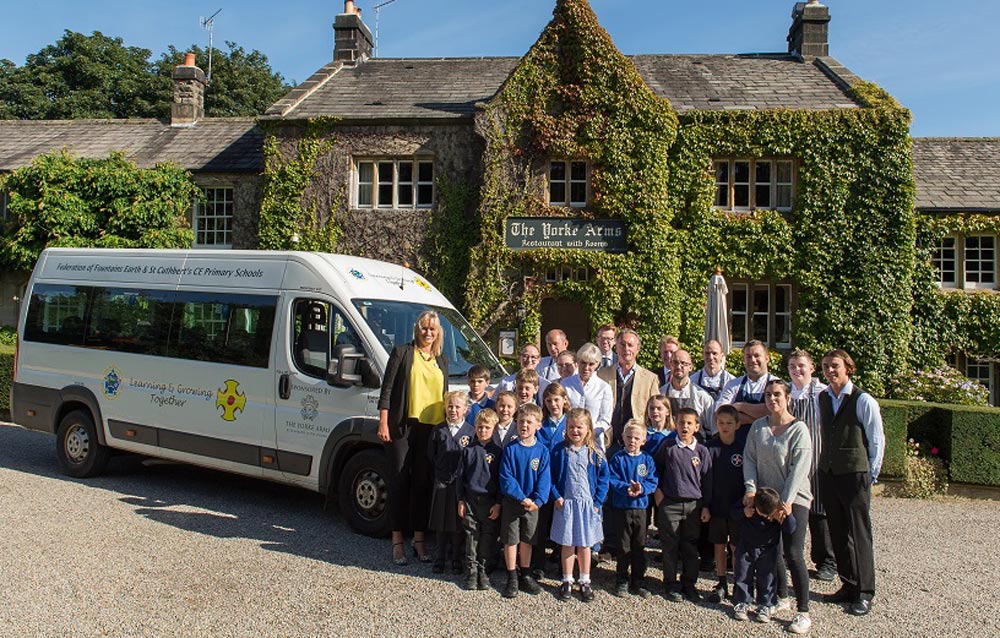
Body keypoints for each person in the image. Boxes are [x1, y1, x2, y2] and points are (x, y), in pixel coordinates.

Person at [743, 378, 813, 634]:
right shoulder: (758, 427)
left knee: (794, 553)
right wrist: (751, 490)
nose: (773, 400)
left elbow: (799, 468)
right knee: (773, 550)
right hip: (765, 501)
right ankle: (781, 597)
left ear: (787, 398)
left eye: (777, 395)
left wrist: (786, 502)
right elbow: (749, 460)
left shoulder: (798, 430)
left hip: (793, 501)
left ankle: (803, 610)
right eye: (768, 395)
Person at [378, 310, 448, 566]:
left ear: (438, 333)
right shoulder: (402, 353)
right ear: (417, 329)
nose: (428, 333)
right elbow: (387, 389)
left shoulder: (442, 360)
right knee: (399, 481)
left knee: (422, 483)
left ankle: (419, 540)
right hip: (402, 426)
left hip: (430, 430)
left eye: (433, 329)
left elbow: (446, 395)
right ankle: (397, 540)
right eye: (424, 328)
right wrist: (383, 420)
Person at [818, 349, 885, 617]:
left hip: (855, 474)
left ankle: (865, 591)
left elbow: (876, 439)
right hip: (830, 472)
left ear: (848, 368)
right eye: (825, 366)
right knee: (837, 530)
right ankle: (848, 584)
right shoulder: (823, 398)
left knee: (859, 533)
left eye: (834, 366)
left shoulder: (862, 400)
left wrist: (871, 474)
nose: (829, 371)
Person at [549, 408, 609, 602]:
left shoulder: (595, 453)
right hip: (566, 504)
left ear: (588, 429)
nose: (575, 431)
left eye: (580, 427)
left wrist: (597, 502)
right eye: (571, 427)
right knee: (567, 543)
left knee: (584, 545)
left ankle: (585, 580)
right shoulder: (559, 450)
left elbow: (603, 479)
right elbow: (549, 476)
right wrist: (556, 496)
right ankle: (567, 579)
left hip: (587, 506)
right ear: (566, 428)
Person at [787, 349, 836, 582]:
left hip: (816, 459)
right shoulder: (786, 392)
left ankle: (826, 561)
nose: (797, 370)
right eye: (793, 366)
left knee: (819, 512)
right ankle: (791, 556)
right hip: (791, 459)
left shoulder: (822, 393)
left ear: (812, 368)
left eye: (801, 366)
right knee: (792, 507)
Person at [654, 407, 712, 602]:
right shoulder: (668, 447)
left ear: (696, 426)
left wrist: (705, 505)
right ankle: (670, 582)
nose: (684, 427)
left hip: (693, 505)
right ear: (675, 425)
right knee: (670, 545)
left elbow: (707, 479)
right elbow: (657, 470)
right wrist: (659, 493)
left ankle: (689, 583)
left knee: (690, 546)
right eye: (681, 423)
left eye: (689, 423)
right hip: (670, 504)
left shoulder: (701, 451)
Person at [498, 403, 551, 599]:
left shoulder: (542, 451)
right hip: (514, 502)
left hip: (532, 505)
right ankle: (512, 575)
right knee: (511, 540)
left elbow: (545, 479)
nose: (524, 425)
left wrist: (537, 500)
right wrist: (521, 497)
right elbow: (506, 477)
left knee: (527, 539)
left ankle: (526, 574)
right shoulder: (511, 449)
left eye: (529, 422)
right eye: (521, 421)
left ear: (538, 425)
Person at [731, 487, 798, 625]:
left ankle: (765, 605)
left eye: (768, 515)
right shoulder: (749, 503)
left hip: (768, 549)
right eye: (763, 514)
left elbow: (790, 528)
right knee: (742, 574)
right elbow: (732, 513)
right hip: (746, 546)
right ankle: (742, 602)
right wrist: (743, 512)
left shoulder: (776, 512)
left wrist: (789, 515)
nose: (766, 517)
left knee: (768, 577)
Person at [608, 420, 659, 599]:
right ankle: (621, 578)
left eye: (637, 438)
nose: (632, 441)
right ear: (622, 437)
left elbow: (653, 481)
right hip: (622, 507)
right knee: (623, 545)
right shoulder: (617, 458)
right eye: (629, 437)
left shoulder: (647, 460)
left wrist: (642, 488)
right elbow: (612, 479)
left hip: (642, 508)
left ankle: (638, 580)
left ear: (644, 440)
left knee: (639, 545)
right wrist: (625, 488)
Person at [427, 391, 476, 574]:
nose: (453, 410)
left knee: (457, 522)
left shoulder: (470, 432)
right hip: (442, 483)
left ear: (465, 409)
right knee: (440, 521)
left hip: (460, 485)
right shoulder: (439, 430)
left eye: (457, 407)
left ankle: (456, 558)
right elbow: (431, 455)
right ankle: (439, 558)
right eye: (450, 406)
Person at [705, 404, 749, 604]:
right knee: (719, 544)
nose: (725, 427)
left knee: (736, 546)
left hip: (738, 506)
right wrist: (706, 505)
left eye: (729, 423)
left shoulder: (743, 448)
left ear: (737, 425)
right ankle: (721, 581)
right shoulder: (710, 448)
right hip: (717, 505)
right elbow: (705, 479)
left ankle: (740, 583)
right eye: (721, 423)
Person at [458, 408, 502, 591]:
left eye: (487, 427)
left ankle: (483, 570)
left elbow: (501, 479)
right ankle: (472, 571)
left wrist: (498, 502)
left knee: (487, 536)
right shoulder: (468, 450)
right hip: (470, 499)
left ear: (493, 429)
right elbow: (461, 477)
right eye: (479, 427)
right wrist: (460, 500)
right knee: (471, 534)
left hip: (489, 501)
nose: (483, 431)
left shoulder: (497, 451)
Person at [531, 381, 571, 577]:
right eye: (548, 400)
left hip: (565, 483)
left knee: (564, 526)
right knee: (541, 524)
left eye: (557, 400)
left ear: (564, 400)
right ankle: (538, 564)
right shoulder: (541, 427)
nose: (553, 404)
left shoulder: (570, 424)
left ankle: (563, 564)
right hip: (544, 483)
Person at [598, 329, 660, 450]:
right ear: (616, 347)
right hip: (608, 441)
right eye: (622, 344)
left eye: (630, 345)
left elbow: (655, 410)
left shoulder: (650, 378)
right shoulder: (602, 375)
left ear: (637, 349)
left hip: (636, 443)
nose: (626, 349)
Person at [563, 342, 613, 451]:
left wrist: (588, 432)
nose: (586, 368)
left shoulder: (604, 387)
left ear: (598, 365)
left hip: (594, 442)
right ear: (577, 362)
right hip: (568, 440)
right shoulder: (566, 384)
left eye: (591, 364)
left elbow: (605, 419)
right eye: (583, 363)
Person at [716, 340, 777, 426]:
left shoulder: (776, 384)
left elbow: (775, 412)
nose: (752, 360)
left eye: (756, 356)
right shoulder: (733, 384)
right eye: (748, 356)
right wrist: (759, 419)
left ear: (767, 358)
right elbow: (721, 412)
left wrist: (740, 406)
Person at [661, 348, 716, 439]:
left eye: (683, 363)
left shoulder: (702, 396)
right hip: (667, 447)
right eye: (675, 362)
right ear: (670, 365)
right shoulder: (661, 394)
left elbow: (714, 429)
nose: (679, 367)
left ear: (690, 367)